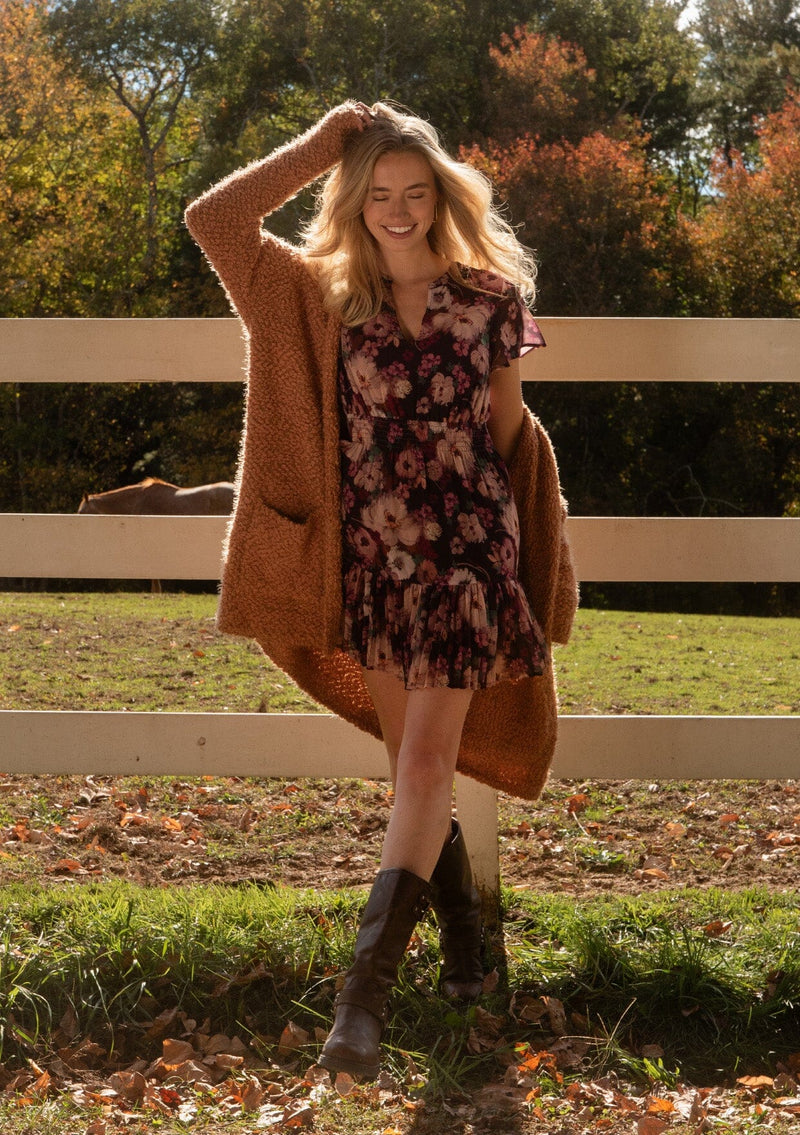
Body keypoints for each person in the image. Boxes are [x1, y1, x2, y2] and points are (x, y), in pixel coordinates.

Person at [185, 101, 577, 1081]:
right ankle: (470, 951)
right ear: (355, 206)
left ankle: (356, 1009)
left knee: (424, 762)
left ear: (438, 199)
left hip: (463, 568)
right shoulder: (320, 299)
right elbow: (214, 220)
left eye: (413, 193)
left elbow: (503, 434)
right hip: (372, 572)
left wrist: (479, 543)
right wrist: (327, 142)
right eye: (377, 196)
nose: (396, 211)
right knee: (412, 766)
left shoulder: (488, 298)